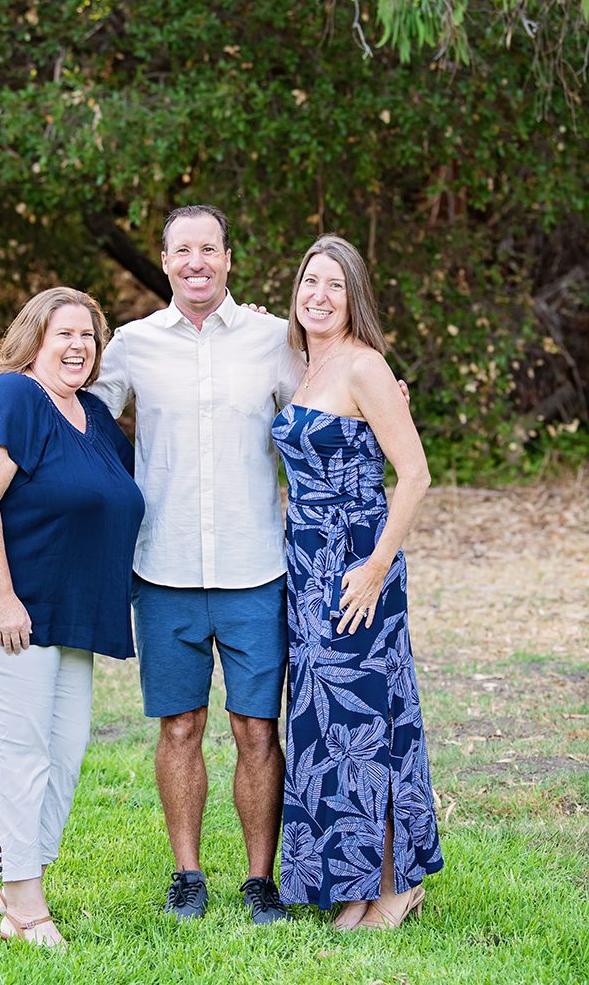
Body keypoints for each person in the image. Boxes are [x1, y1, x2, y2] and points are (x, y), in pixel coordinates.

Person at [90, 205, 307, 923]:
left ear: (228, 257)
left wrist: (385, 397)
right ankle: (188, 876)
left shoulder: (274, 340)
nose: (195, 262)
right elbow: (75, 411)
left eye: (207, 248)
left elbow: (327, 404)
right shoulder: (132, 344)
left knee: (256, 731)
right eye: (182, 250)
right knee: (179, 727)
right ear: (164, 259)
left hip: (256, 571)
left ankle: (259, 880)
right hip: (164, 570)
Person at [0, 287, 144, 948]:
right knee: (21, 755)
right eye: (65, 334)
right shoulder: (12, 397)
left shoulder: (96, 421)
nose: (79, 345)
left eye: (89, 336)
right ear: (34, 341)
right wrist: (3, 598)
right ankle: (25, 909)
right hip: (2, 609)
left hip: (69, 614)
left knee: (65, 754)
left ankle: (14, 876)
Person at [271, 235, 443, 931]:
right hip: (307, 566)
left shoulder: (366, 366)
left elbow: (416, 473)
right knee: (325, 719)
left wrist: (374, 568)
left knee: (370, 721)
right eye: (310, 281)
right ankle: (353, 886)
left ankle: (394, 887)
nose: (318, 295)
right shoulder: (307, 365)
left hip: (356, 564)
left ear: (355, 297)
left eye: (335, 286)